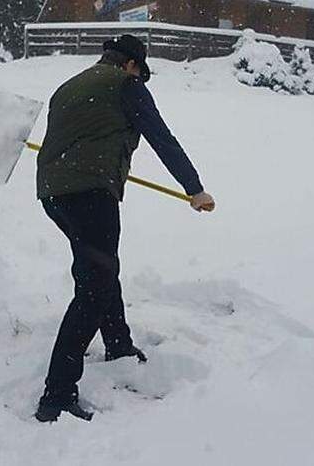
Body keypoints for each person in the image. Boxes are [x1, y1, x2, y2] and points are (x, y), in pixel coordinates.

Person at [34, 34, 216, 423]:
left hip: (53, 193)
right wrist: (194, 188)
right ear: (132, 65)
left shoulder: (69, 85)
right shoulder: (126, 86)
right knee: (92, 290)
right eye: (140, 71)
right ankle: (56, 395)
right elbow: (161, 137)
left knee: (99, 270)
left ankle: (118, 344)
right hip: (89, 194)